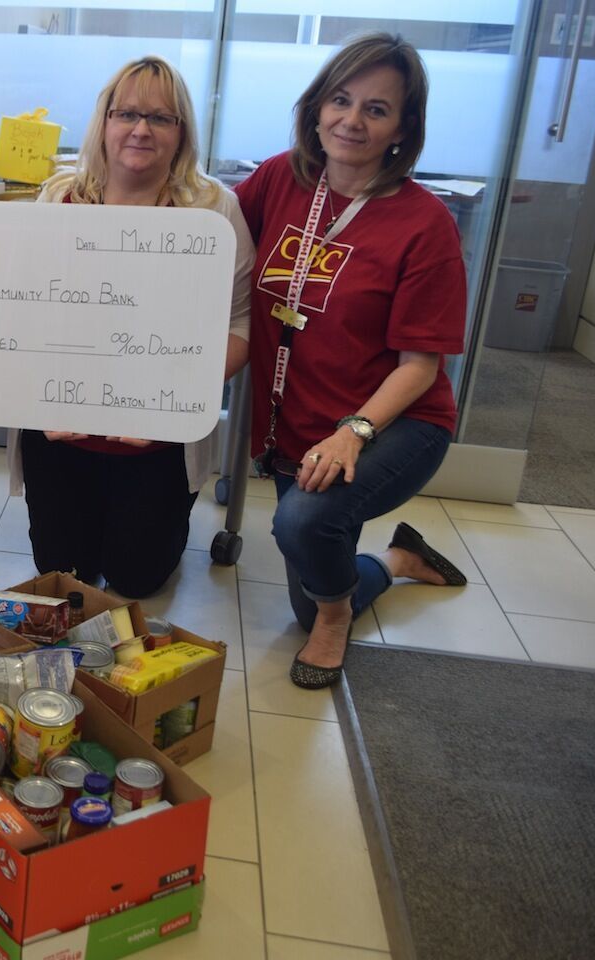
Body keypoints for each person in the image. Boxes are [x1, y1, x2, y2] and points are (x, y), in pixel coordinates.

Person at [234, 33, 468, 690]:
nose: (351, 121)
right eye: (340, 100)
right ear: (316, 108)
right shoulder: (280, 178)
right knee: (307, 580)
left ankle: (336, 622)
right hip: (298, 425)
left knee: (303, 524)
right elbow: (210, 238)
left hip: (396, 423)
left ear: (403, 129)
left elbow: (420, 365)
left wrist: (352, 432)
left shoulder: (425, 224)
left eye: (376, 109)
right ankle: (398, 560)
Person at [14, 56, 255, 598]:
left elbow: (240, 326)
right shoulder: (58, 198)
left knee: (136, 578)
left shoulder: (215, 209)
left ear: (182, 133)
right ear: (104, 122)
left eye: (161, 118)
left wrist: (174, 404)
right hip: (61, 433)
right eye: (127, 114)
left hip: (157, 443)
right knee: (65, 574)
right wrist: (36, 398)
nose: (141, 130)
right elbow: (22, 310)